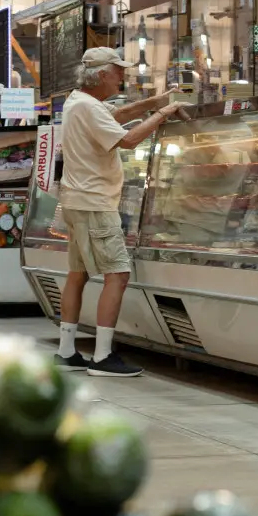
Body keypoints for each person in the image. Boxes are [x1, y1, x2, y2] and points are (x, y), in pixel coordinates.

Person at [55, 46, 183, 378]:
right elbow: (127, 141)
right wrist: (162, 116)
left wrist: (153, 103)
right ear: (101, 75)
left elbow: (116, 116)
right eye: (118, 70)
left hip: (76, 200)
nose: (122, 75)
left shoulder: (77, 103)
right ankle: (102, 356)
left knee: (78, 274)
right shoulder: (88, 107)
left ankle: (67, 351)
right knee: (118, 274)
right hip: (96, 202)